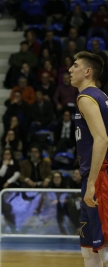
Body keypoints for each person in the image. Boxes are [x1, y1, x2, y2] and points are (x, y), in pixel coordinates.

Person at [68, 51, 108, 266]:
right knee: (88, 248)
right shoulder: (101, 96)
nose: (70, 69)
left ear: (87, 72)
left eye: (75, 65)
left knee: (104, 248)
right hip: (94, 176)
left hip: (100, 177)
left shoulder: (86, 98)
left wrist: (92, 183)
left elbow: (102, 139)